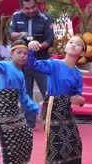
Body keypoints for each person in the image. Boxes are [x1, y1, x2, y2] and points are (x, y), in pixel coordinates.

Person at [28, 36, 92, 164]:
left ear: (82, 52)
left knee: (74, 141)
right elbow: (33, 65)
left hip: (66, 108)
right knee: (54, 143)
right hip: (52, 106)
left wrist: (81, 101)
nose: (73, 45)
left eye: (78, 44)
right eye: (71, 42)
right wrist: (30, 49)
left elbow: (78, 96)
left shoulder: (78, 74)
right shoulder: (54, 64)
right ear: (66, 47)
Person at [9, 0, 55, 128]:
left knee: (48, 91)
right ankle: (29, 124)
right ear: (21, 7)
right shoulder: (16, 16)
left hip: (41, 61)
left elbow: (50, 40)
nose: (30, 10)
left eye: (33, 7)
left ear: (37, 5)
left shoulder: (46, 18)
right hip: (22, 63)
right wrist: (20, 35)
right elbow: (11, 34)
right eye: (26, 8)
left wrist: (37, 47)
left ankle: (50, 121)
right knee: (25, 93)